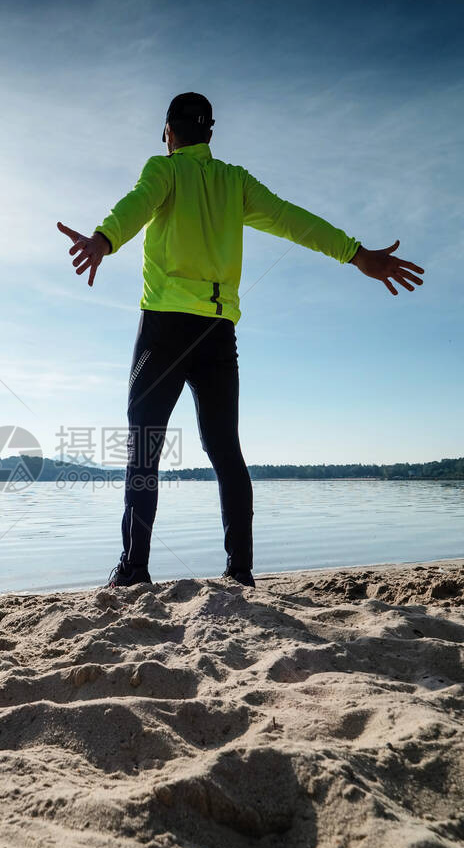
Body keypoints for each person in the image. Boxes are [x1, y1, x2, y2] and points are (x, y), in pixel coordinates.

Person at [57, 92, 424, 589]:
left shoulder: (164, 171)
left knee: (145, 446)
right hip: (217, 331)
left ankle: (134, 569)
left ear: (168, 132)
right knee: (225, 449)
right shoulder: (236, 182)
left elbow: (136, 205)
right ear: (210, 133)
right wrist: (356, 255)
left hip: (164, 328)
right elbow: (296, 220)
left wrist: (103, 241)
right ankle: (240, 572)